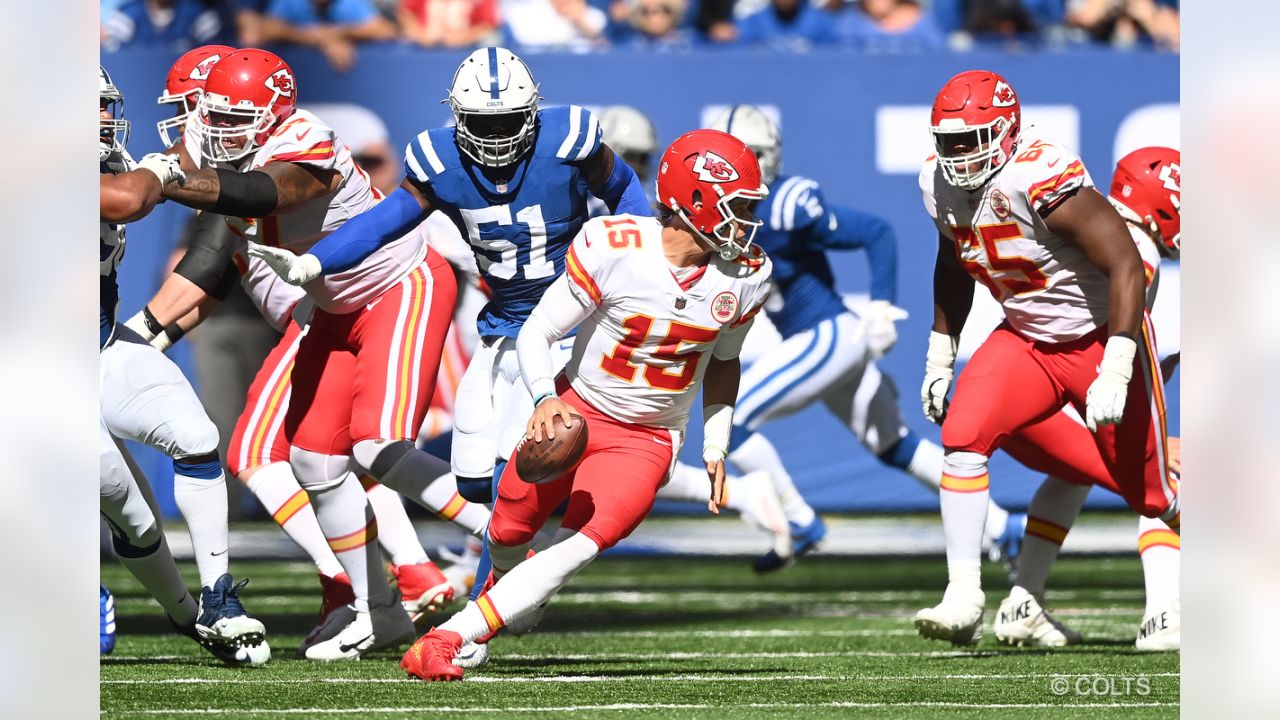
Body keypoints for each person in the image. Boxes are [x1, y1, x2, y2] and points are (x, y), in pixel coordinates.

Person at [255, 46, 652, 667]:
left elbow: (625, 189)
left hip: (563, 323)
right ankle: (522, 573)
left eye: (506, 122)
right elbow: (389, 218)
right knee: (470, 478)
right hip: (499, 326)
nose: (495, 138)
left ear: (532, 111)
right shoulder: (437, 158)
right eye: (483, 124)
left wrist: (643, 263)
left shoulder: (571, 136)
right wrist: (315, 261)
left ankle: (483, 617)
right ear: (457, 116)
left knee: (511, 471)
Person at [400, 128, 774, 682]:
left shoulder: (746, 275)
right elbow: (537, 334)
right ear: (693, 200)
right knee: (506, 530)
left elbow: (722, 362)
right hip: (577, 408)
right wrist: (545, 399)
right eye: (737, 206)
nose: (746, 222)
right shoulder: (614, 245)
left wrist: (715, 442)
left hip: (648, 438)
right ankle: (507, 595)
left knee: (578, 547)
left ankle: (453, 635)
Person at [147, 49, 479, 659]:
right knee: (313, 461)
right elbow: (212, 267)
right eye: (209, 116)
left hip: (394, 290)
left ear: (267, 114)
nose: (212, 128)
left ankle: (503, 528)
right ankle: (376, 607)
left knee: (377, 449)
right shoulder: (226, 157)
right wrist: (148, 334)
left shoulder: (305, 141)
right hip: (330, 312)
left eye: (226, 117)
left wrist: (166, 180)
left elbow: (264, 194)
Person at [686, 105, 1023, 572]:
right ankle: (1005, 527)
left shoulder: (787, 203)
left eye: (752, 155)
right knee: (895, 446)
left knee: (731, 420)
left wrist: (881, 308)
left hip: (828, 336)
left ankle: (800, 522)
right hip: (821, 341)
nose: (742, 169)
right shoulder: (711, 216)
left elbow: (877, 233)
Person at [915, 70, 1178, 646]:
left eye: (972, 140)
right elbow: (952, 264)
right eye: (950, 143)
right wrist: (940, 354)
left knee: (1156, 495)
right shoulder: (937, 185)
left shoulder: (1039, 174)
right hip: (1027, 340)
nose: (959, 156)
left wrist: (1116, 363)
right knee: (963, 433)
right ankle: (963, 596)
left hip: (1096, 338)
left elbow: (1126, 266)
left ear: (1006, 131)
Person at [99, 64, 270, 665]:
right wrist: (166, 169)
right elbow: (126, 200)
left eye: (106, 105)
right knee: (125, 505)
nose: (104, 118)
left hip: (99, 345)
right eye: (90, 108)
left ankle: (219, 600)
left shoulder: (112, 159)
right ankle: (181, 614)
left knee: (199, 437)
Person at [992, 146, 1182, 650]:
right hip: (1052, 392)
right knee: (1160, 473)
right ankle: (1166, 614)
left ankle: (1022, 604)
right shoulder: (1133, 249)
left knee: (1075, 476)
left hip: (1020, 398)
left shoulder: (1079, 223)